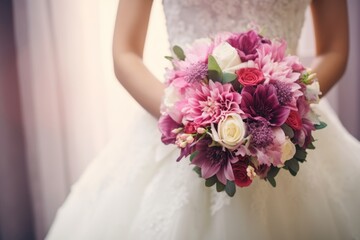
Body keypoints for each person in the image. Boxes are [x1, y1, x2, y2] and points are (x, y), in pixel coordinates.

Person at [46, 0, 360, 239]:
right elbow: (124, 53)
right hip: (181, 121)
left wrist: (289, 103)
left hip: (284, 125)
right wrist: (193, 118)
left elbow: (335, 49)